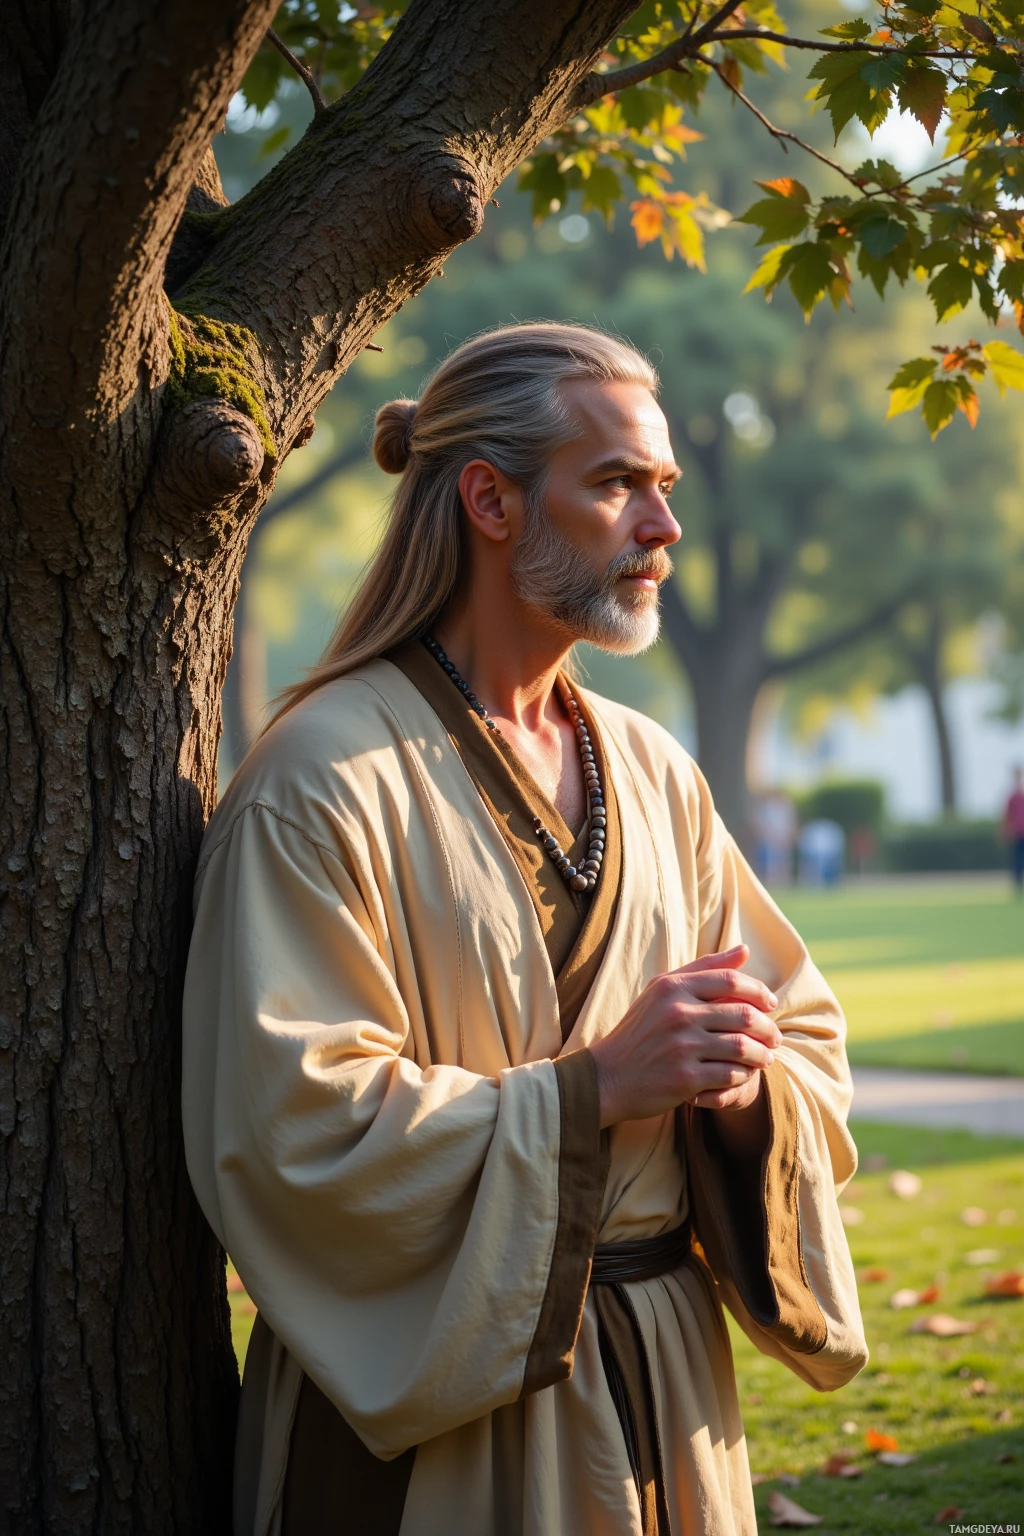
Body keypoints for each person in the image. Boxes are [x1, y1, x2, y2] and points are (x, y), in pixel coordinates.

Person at [182, 324, 866, 1536]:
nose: (660, 528)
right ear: (489, 500)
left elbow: (802, 1031)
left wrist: (744, 1078)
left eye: (662, 488)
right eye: (613, 484)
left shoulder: (655, 770)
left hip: (667, 1388)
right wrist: (594, 1088)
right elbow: (290, 1131)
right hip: (431, 1431)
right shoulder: (321, 779)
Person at [1005, 765, 1024, 895]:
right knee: (1017, 859)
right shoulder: (1012, 796)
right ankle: (1018, 884)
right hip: (1017, 832)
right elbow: (1007, 815)